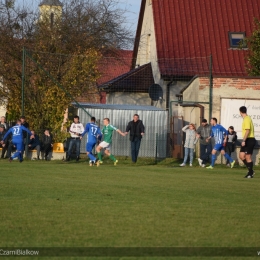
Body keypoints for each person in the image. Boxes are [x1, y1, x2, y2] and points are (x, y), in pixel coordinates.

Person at [239, 106, 256, 178]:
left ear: (240, 112)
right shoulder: (245, 119)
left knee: (248, 157)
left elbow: (247, 130)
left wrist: (243, 140)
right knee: (241, 156)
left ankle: (250, 174)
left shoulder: (247, 119)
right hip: (246, 139)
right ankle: (251, 171)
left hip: (249, 139)